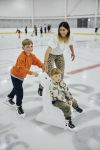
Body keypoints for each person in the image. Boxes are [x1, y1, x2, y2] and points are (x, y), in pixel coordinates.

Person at [7, 39, 45, 117]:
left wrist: (42, 66)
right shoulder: (21, 57)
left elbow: (37, 61)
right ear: (23, 48)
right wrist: (32, 73)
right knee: (19, 92)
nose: (30, 48)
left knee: (16, 88)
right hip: (15, 75)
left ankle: (9, 97)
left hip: (21, 76)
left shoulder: (31, 56)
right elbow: (22, 68)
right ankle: (19, 107)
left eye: (31, 46)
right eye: (27, 47)